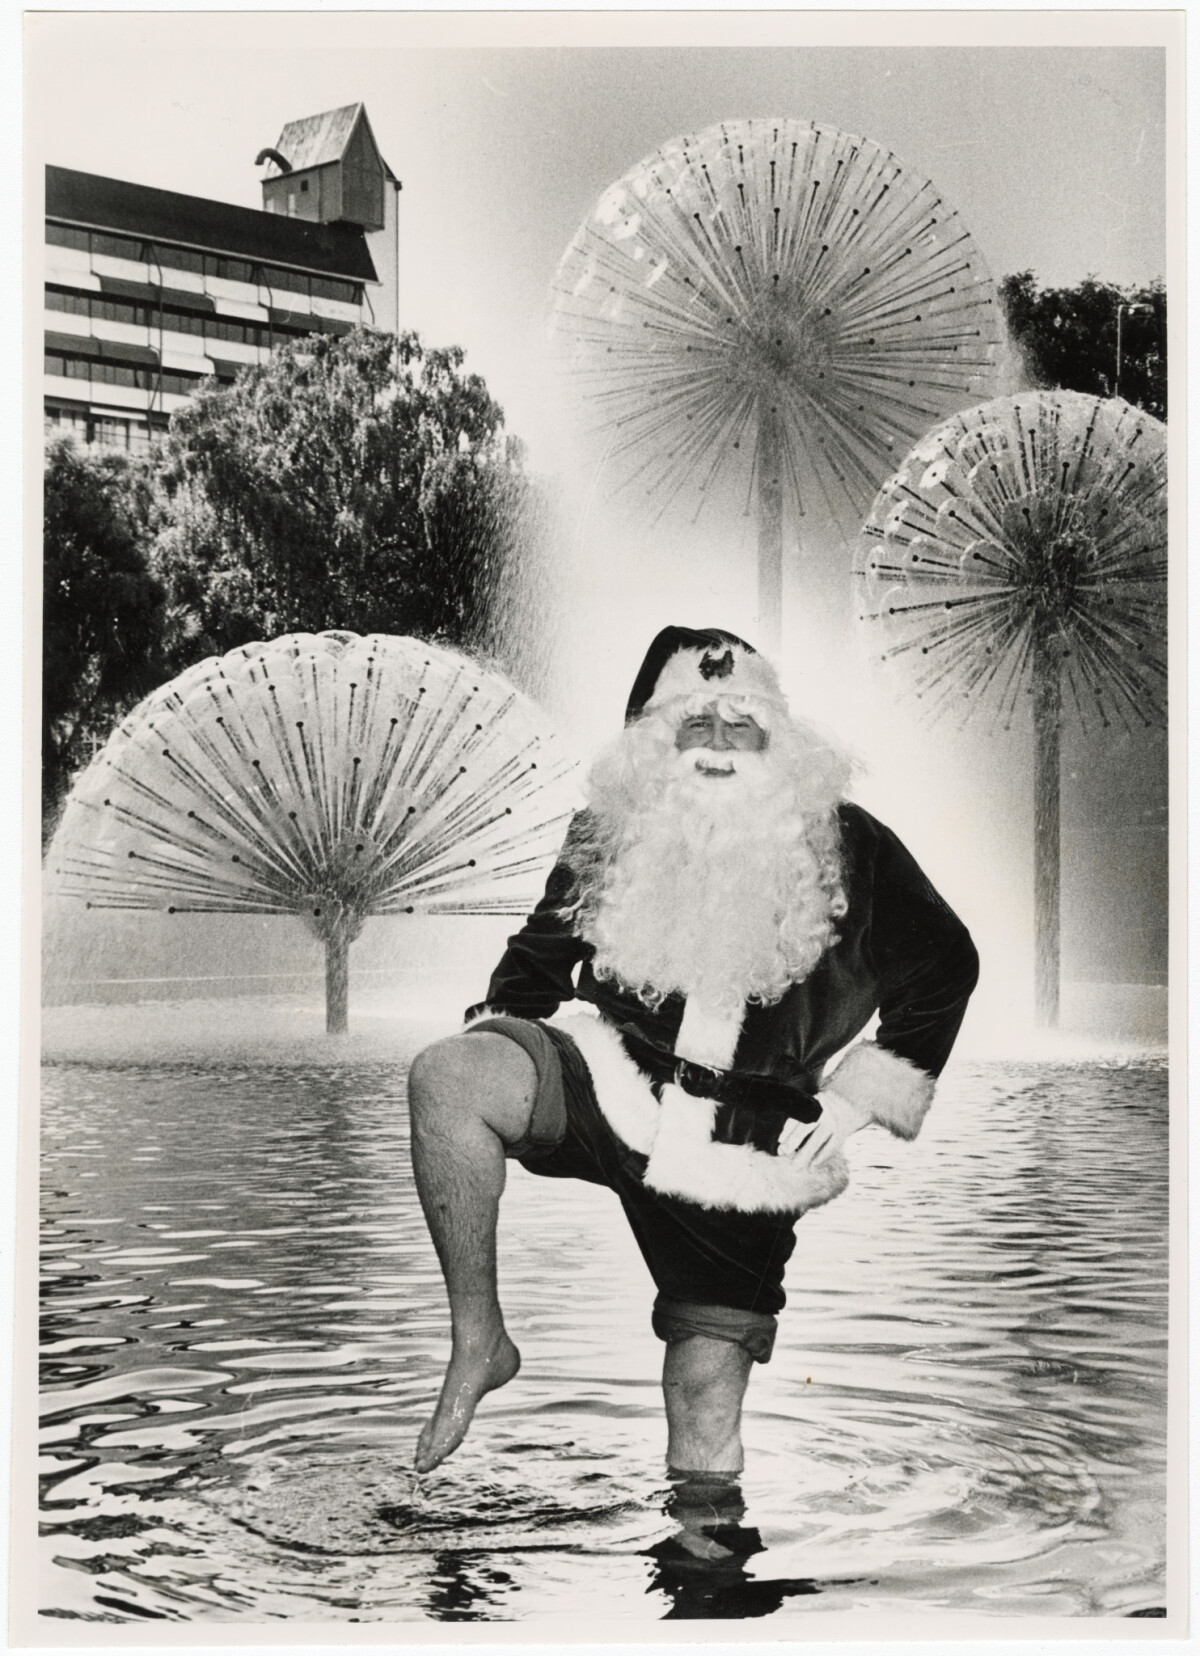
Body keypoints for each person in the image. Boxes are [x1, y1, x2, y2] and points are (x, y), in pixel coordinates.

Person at [406, 626, 979, 1477]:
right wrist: (505, 1042)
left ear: (776, 737)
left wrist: (857, 1103)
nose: (718, 746)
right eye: (693, 726)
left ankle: (707, 1579)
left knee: (702, 1408)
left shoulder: (851, 843)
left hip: (740, 1155)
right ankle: (479, 1338)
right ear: (654, 741)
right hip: (609, 1081)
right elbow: (534, 960)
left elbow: (947, 966)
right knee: (447, 1077)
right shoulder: (610, 830)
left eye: (739, 725)